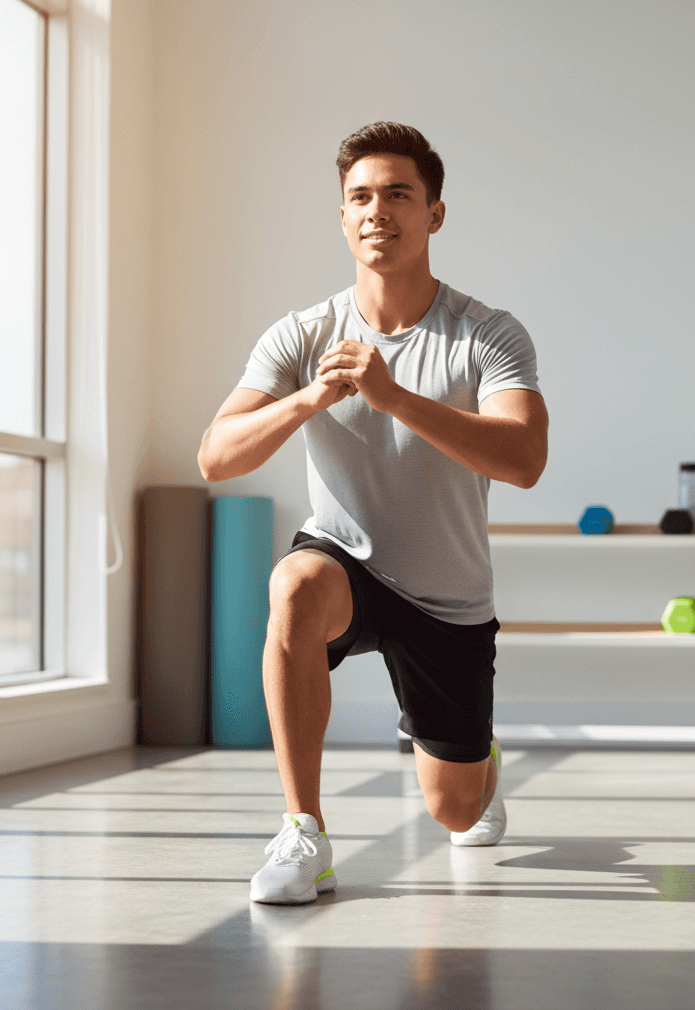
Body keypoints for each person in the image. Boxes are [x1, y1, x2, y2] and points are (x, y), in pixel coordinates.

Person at [197, 122, 548, 905]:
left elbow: (524, 460)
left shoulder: (485, 334)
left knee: (455, 810)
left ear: (435, 214)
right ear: (342, 215)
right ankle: (304, 833)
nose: (377, 210)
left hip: (447, 597)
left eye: (398, 194)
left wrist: (393, 398)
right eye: (360, 196)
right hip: (344, 560)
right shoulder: (302, 334)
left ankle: (475, 768)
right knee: (293, 586)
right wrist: (309, 397)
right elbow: (216, 456)